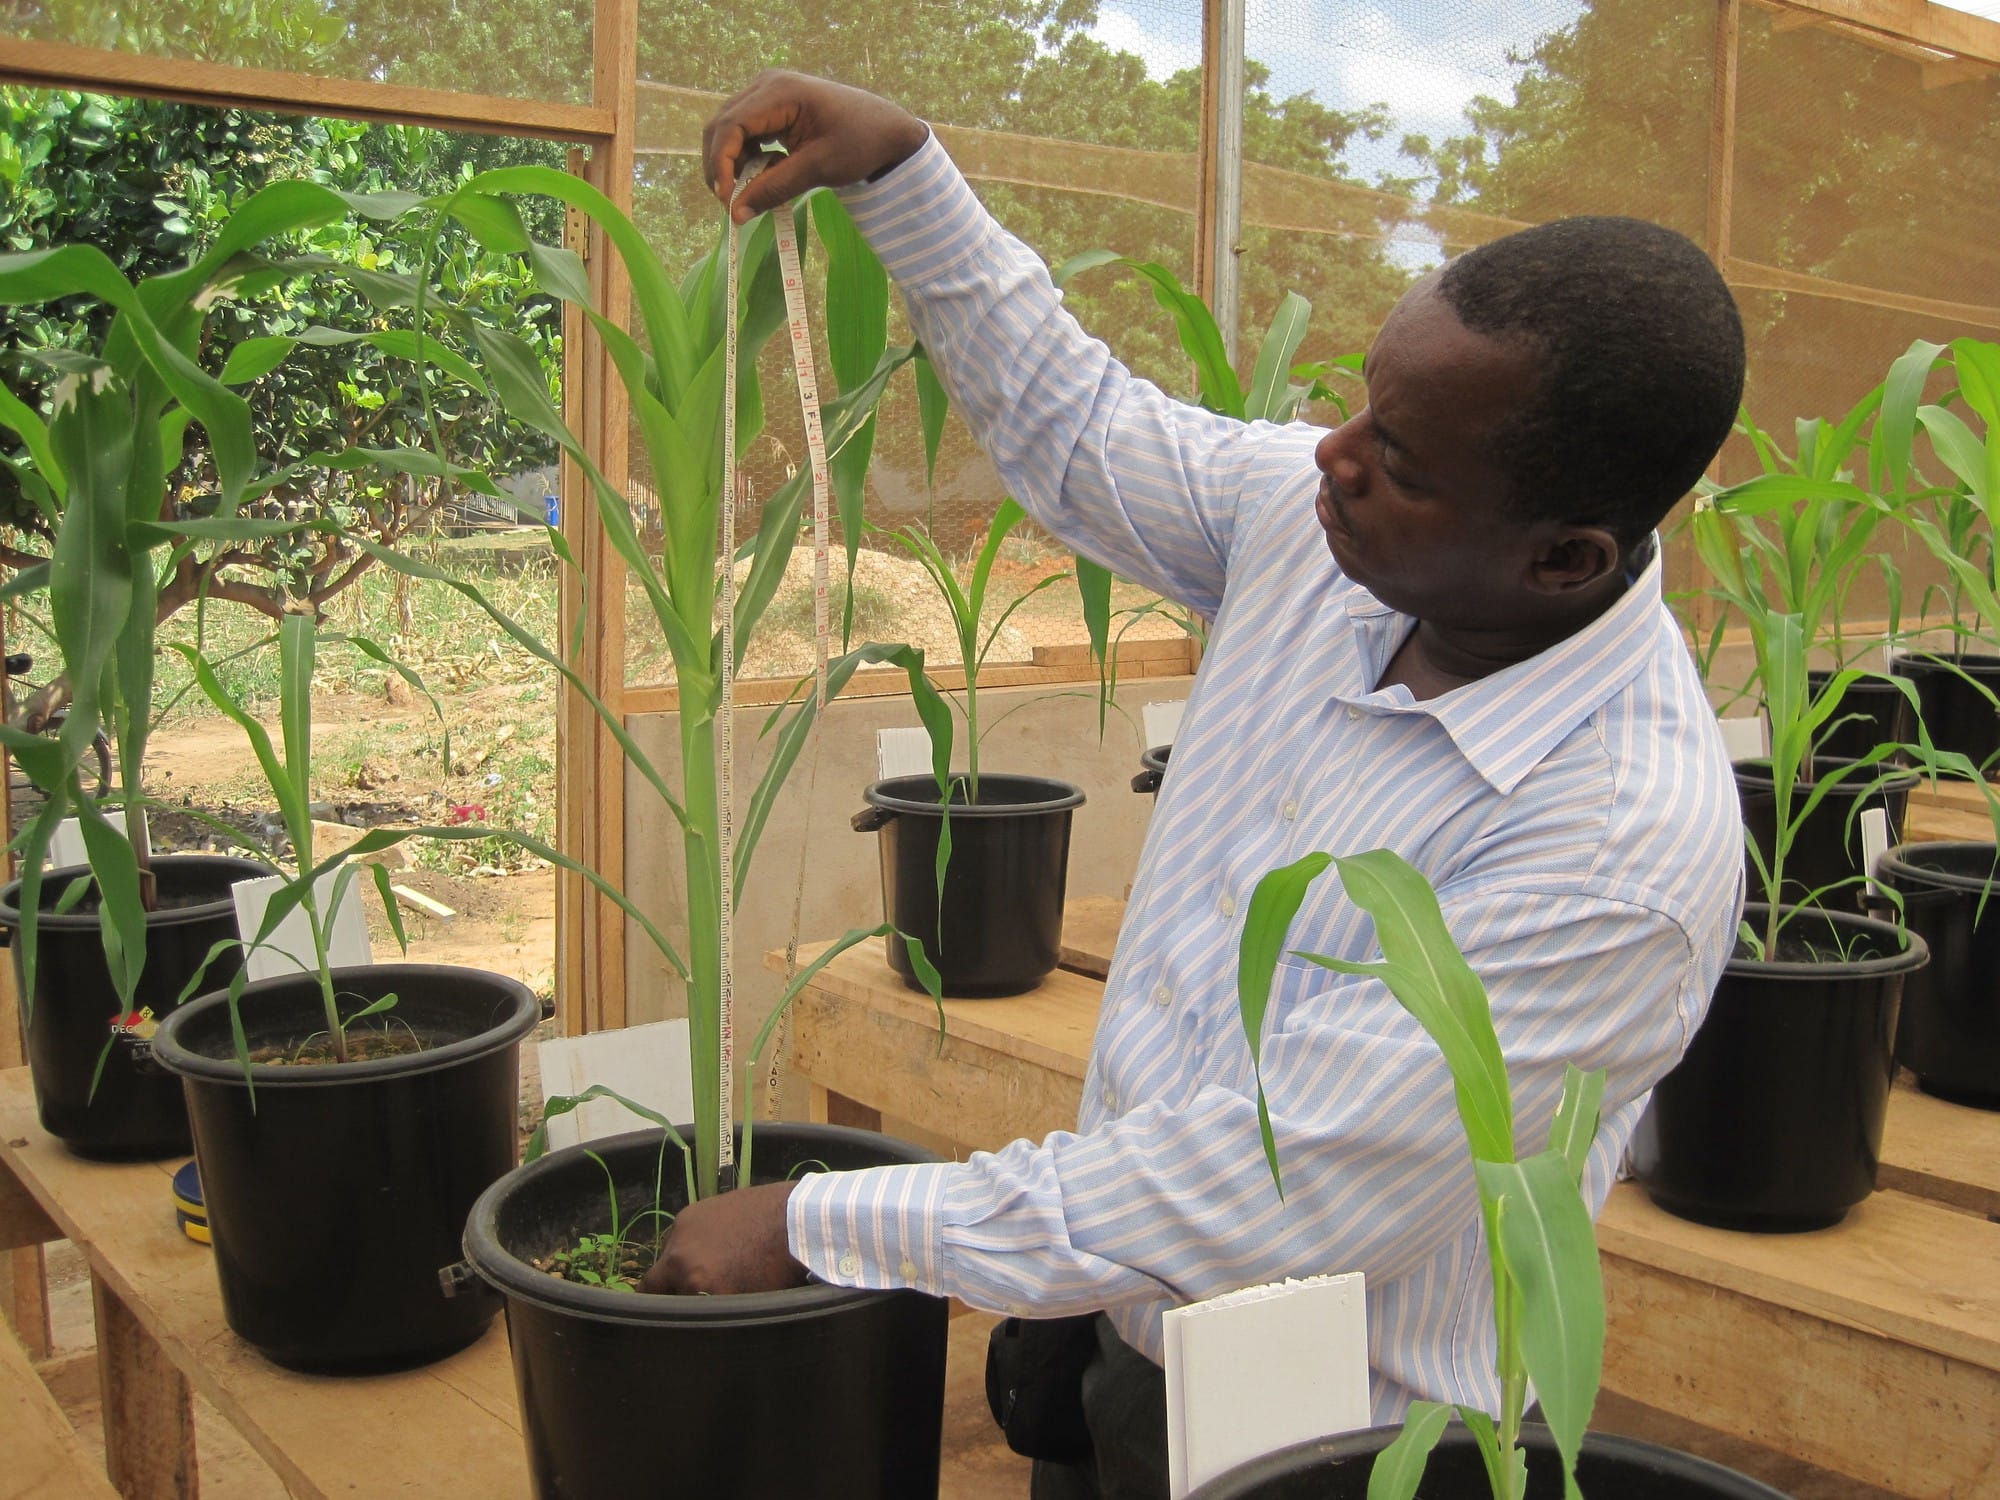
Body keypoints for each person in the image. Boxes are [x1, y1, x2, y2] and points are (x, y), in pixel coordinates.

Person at [643, 71, 1748, 1499]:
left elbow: (1267, 1192)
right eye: (1362, 407)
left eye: (1399, 459)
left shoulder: (1614, 851)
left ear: (1564, 560)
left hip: (1346, 1446)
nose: (1332, 457)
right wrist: (902, 171)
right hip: (1120, 1329)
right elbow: (1083, 430)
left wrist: (821, 1225)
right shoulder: (1332, 537)